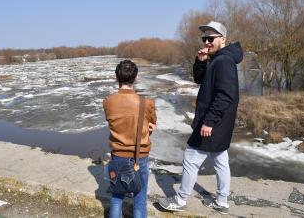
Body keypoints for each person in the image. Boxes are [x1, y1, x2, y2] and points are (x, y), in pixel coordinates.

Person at [159, 21, 243, 215]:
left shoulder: (223, 62)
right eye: (205, 38)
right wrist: (200, 61)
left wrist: (209, 122)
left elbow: (225, 96)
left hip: (213, 122)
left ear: (223, 39)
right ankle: (221, 201)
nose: (207, 42)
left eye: (211, 38)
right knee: (220, 159)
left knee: (190, 158)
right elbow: (199, 80)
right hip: (220, 123)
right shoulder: (218, 58)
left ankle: (180, 200)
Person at [103, 60, 157, 218]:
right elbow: (152, 124)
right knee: (139, 199)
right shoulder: (146, 103)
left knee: (116, 197)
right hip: (139, 158)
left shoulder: (108, 102)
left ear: (116, 78)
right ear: (136, 78)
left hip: (118, 157)